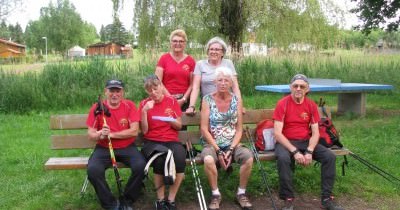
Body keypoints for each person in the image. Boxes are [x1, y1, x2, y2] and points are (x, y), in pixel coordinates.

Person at [273, 74, 344, 210]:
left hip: (305, 141)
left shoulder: (311, 105)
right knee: (283, 158)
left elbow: (316, 132)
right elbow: (277, 133)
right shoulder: (282, 104)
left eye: (302, 86)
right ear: (290, 87)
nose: (298, 89)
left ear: (307, 89)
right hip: (285, 142)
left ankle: (327, 198)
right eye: (295, 86)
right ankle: (288, 198)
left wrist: (309, 151)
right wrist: (295, 151)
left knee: (329, 157)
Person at [86, 79, 146, 210]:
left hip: (127, 147)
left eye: (117, 91)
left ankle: (127, 200)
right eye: (111, 90)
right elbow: (91, 134)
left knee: (141, 166)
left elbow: (134, 131)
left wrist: (111, 134)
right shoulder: (97, 108)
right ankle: (110, 204)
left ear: (122, 92)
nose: (114, 94)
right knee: (93, 170)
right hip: (104, 147)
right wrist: (100, 134)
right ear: (105, 92)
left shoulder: (129, 105)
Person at [200, 67, 253, 210]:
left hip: (232, 143)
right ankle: (216, 194)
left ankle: (241, 193)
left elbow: (239, 129)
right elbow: (204, 129)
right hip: (212, 144)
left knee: (248, 157)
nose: (223, 83)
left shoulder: (236, 100)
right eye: (220, 80)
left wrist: (230, 150)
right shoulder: (207, 100)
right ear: (214, 82)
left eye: (226, 80)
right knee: (209, 159)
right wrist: (218, 151)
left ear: (231, 83)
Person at [139, 75, 186, 210]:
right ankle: (160, 200)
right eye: (150, 90)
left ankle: (170, 199)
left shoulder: (172, 102)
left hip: (171, 140)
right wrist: (144, 112)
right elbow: (145, 131)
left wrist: (169, 119)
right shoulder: (144, 104)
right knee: (160, 161)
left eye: (155, 88)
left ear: (161, 87)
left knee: (180, 159)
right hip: (152, 142)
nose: (153, 92)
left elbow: (178, 126)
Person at [185, 36, 243, 115]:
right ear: (208, 51)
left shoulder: (228, 63)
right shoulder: (200, 64)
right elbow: (196, 88)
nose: (213, 52)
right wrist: (191, 106)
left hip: (226, 104)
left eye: (217, 49)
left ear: (222, 52)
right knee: (205, 127)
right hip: (207, 105)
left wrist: (239, 105)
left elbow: (235, 87)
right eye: (211, 49)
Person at [155, 29, 196, 111]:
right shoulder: (164, 59)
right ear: (171, 43)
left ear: (185, 43)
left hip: (184, 101)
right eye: (175, 41)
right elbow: (157, 81)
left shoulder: (190, 61)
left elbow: (192, 84)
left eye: (181, 41)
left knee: (181, 123)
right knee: (165, 123)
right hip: (165, 98)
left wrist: (183, 99)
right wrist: (170, 98)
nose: (178, 44)